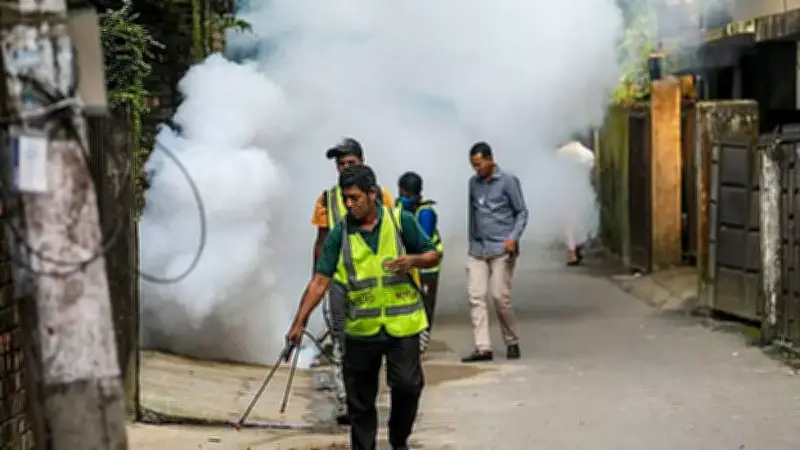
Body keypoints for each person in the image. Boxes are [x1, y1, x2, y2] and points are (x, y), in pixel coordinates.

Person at [288, 164, 439, 450]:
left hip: (402, 326)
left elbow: (431, 255)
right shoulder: (339, 234)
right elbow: (320, 282)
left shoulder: (400, 221)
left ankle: (398, 438)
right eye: (345, 198)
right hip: (361, 330)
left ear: (373, 195)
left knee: (408, 387)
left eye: (355, 197)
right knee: (360, 404)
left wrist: (412, 261)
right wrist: (299, 323)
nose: (349, 204)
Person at [309, 137, 394, 424]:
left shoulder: (380, 195)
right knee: (340, 341)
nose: (344, 168)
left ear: (362, 162)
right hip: (339, 283)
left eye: (350, 163)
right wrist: (317, 281)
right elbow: (321, 241)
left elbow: (394, 233)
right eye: (340, 164)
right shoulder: (327, 199)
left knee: (374, 342)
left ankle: (366, 396)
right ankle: (347, 401)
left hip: (375, 283)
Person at [462, 141, 528, 363]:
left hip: (502, 247)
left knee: (500, 296)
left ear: (491, 160)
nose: (476, 169)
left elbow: (521, 212)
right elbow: (472, 214)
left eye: (479, 164)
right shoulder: (473, 184)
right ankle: (483, 347)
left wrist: (513, 238)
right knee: (475, 296)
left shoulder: (508, 182)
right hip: (478, 249)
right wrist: (471, 241)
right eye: (473, 165)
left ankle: (511, 339)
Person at [396, 171, 444, 352]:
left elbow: (422, 241)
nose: (403, 198)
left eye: (408, 195)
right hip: (408, 266)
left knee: (425, 306)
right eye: (402, 194)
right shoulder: (399, 207)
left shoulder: (425, 213)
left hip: (427, 269)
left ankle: (421, 345)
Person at [556, 139, 596, 266]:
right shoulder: (587, 154)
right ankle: (578, 246)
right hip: (582, 191)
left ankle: (572, 251)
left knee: (569, 223)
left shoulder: (561, 154)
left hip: (567, 192)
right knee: (579, 220)